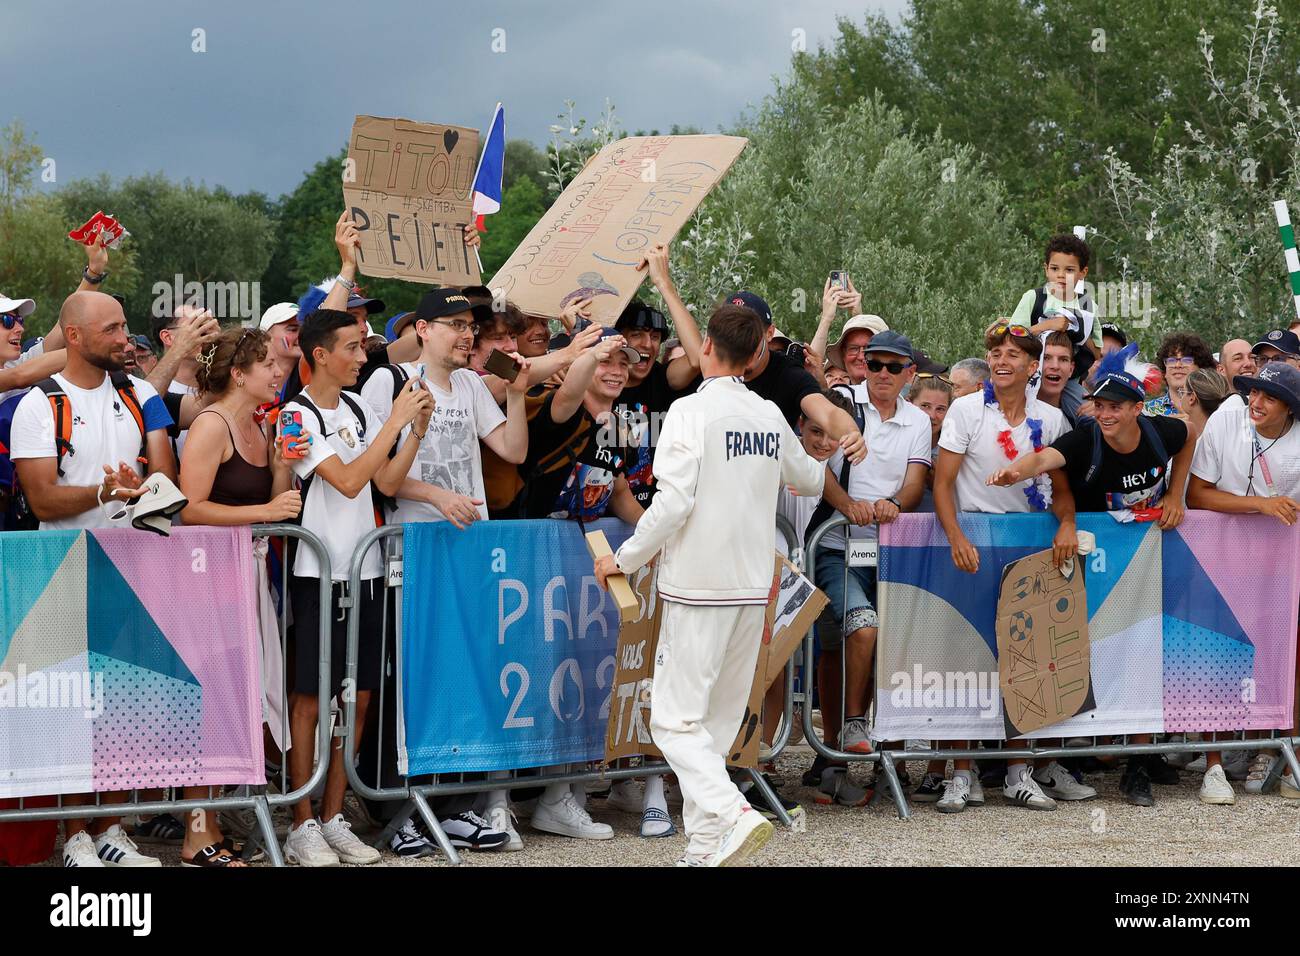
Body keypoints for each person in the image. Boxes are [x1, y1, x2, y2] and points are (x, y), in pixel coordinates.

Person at [594, 303, 826, 867]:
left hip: (700, 585)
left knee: (672, 720)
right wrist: (822, 440)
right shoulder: (769, 413)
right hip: (753, 585)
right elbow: (811, 476)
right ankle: (703, 848)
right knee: (715, 729)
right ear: (755, 356)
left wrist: (624, 557)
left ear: (705, 349)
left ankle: (731, 812)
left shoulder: (691, 412)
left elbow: (674, 501)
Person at [987, 345, 1198, 806]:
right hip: (1091, 556)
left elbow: (1191, 435)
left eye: (1114, 407)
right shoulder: (1086, 439)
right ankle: (1064, 758)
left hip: (1141, 557)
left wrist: (1176, 494)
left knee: (1142, 646)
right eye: (1099, 405)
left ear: (1137, 409)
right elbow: (1044, 462)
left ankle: (1139, 767)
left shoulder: (1162, 431)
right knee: (1078, 649)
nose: (1104, 414)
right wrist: (1010, 472)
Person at [10, 291, 176, 867]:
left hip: (130, 571)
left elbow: (167, 486)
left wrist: (145, 485)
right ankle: (76, 834)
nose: (124, 338)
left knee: (119, 706)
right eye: (112, 329)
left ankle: (112, 828)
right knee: (69, 709)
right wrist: (106, 491)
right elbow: (43, 499)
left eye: (126, 327)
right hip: (59, 574)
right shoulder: (39, 403)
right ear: (74, 336)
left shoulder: (140, 394)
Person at [279, 308, 433, 867]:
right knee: (312, 698)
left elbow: (383, 483)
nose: (362, 356)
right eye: (351, 348)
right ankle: (301, 823)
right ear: (320, 353)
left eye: (363, 347)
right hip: (318, 572)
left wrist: (412, 431)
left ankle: (334, 816)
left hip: (365, 571)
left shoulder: (354, 408)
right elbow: (344, 482)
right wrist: (392, 422)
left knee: (361, 695)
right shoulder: (294, 414)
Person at [931, 321, 1073, 813]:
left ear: (1033, 367)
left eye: (1014, 353)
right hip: (975, 541)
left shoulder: (1051, 419)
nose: (1001, 360)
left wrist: (1066, 524)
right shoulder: (966, 411)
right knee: (967, 654)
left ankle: (1018, 770)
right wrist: (955, 537)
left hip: (1028, 543)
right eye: (995, 352)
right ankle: (962, 773)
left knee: (1027, 658)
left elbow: (1062, 488)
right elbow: (942, 483)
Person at [178, 326, 303, 867]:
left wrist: (280, 468)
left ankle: (215, 824)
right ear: (238, 373)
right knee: (207, 704)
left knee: (238, 703)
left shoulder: (257, 421)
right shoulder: (212, 424)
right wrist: (264, 512)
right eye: (268, 365)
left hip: (246, 576)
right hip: (206, 579)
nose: (279, 372)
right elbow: (188, 508)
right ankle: (194, 836)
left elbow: (277, 507)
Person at [812, 333, 931, 766]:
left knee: (889, 644)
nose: (882, 372)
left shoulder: (918, 420)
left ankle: (874, 751)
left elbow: (916, 482)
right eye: (874, 363)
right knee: (853, 634)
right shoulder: (841, 399)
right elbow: (816, 460)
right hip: (834, 544)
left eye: (893, 366)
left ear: (909, 374)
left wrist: (895, 504)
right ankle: (847, 731)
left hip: (891, 550)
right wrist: (847, 506)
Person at [1187, 362, 1300, 802]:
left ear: (1289, 408)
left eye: (1268, 397)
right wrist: (1261, 506)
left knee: (1284, 652)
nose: (1255, 401)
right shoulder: (1228, 415)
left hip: (1281, 560)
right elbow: (1197, 494)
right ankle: (1213, 764)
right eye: (1253, 392)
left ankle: (1277, 751)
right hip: (1221, 553)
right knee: (1218, 650)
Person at [614, 243, 705, 508]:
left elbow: (697, 358)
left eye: (654, 337)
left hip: (658, 512)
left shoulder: (663, 379)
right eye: (637, 335)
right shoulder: (600, 383)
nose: (647, 344)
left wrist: (664, 284)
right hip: (604, 512)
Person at [1010, 233, 1102, 362]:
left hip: (1070, 378)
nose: (1061, 275)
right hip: (1031, 376)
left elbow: (1097, 355)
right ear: (1046, 269)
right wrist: (1047, 325)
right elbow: (1012, 338)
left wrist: (1080, 330)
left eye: (1069, 270)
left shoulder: (1088, 305)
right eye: (1054, 268)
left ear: (1083, 272)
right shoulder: (1034, 298)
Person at [1148, 332, 1216, 418]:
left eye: (1186, 360)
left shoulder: (1215, 408)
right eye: (1171, 360)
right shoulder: (1147, 412)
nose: (1178, 365)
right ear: (1164, 372)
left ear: (1201, 367)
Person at [825, 313, 888, 387]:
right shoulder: (832, 397)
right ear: (843, 354)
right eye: (853, 349)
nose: (861, 357)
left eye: (869, 349)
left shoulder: (898, 397)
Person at [1037, 331, 1085, 425]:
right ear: (1033, 365)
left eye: (1063, 359)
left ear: (1071, 369)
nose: (1055, 366)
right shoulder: (1014, 413)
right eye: (1046, 358)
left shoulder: (1081, 420)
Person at [259, 302, 302, 383]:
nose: (303, 335)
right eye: (293, 329)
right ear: (267, 336)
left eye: (305, 328)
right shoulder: (251, 380)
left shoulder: (316, 378)